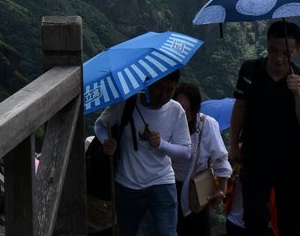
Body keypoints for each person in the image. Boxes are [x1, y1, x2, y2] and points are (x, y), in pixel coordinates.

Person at [228, 20, 300, 236]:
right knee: (254, 220)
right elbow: (240, 107)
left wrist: (298, 92)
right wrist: (233, 146)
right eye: (272, 51)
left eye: (285, 53)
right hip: (255, 158)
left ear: (297, 50)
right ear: (266, 45)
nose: (277, 58)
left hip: (292, 162)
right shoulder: (250, 70)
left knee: (291, 223)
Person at [94, 70, 191, 236]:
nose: (164, 95)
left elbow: (185, 151)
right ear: (148, 83)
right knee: (127, 232)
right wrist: (106, 142)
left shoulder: (176, 110)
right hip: (128, 183)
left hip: (162, 181)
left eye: (170, 90)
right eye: (159, 88)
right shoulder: (127, 103)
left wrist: (161, 144)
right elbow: (100, 125)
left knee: (167, 233)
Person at [173, 83, 233, 236]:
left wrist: (221, 190)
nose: (185, 113)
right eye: (181, 108)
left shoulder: (206, 125)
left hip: (198, 188)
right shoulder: (168, 123)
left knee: (197, 228)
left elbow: (220, 159)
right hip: (171, 187)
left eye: (189, 109)